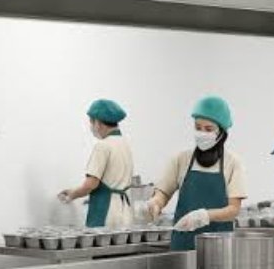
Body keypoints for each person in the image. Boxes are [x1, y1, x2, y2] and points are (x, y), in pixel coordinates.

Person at [147, 96, 248, 251]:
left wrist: (204, 216)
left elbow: (233, 209)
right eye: (198, 127)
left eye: (208, 129)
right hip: (183, 244)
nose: (202, 133)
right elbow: (163, 192)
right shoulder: (181, 159)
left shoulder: (233, 163)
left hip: (218, 248)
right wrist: (156, 203)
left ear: (221, 132)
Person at [59, 99, 135, 228]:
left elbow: (91, 184)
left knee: (103, 240)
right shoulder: (125, 144)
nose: (91, 127)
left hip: (106, 211)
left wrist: (71, 194)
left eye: (91, 122)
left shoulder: (103, 146)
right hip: (124, 210)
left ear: (98, 123)